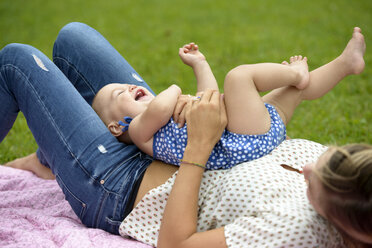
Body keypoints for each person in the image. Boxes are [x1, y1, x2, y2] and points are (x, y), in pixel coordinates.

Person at [1, 23, 369, 247]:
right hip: (167, 140)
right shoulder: (353, 177)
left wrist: (197, 145)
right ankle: (50, 157)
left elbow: (176, 244)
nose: (310, 167)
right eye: (327, 161)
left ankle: (60, 157)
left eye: (320, 180)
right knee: (73, 39)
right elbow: (259, 129)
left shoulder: (295, 232)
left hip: (121, 186)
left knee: (16, 61)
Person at [91, 41, 311, 170]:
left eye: (127, 84)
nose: (130, 86)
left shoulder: (169, 118)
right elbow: (159, 108)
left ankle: (292, 75)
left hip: (247, 141)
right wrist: (176, 89)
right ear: (116, 127)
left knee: (243, 87)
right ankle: (294, 74)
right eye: (119, 92)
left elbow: (209, 98)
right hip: (245, 144)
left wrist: (200, 64)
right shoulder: (140, 130)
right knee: (238, 77)